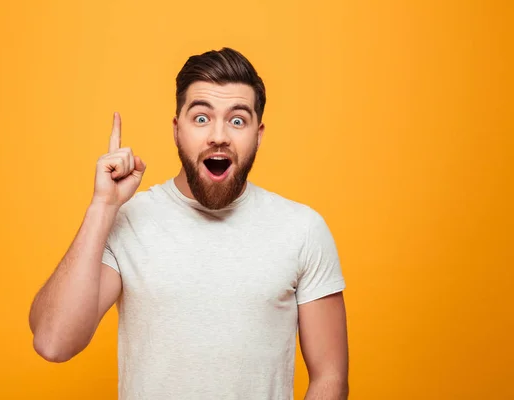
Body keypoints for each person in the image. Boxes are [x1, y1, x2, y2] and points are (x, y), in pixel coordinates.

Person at [29, 47, 349, 400]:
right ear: (177, 129)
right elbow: (53, 342)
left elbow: (329, 378)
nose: (218, 136)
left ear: (258, 135)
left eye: (237, 120)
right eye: (200, 118)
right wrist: (102, 206)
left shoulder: (302, 230)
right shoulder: (129, 221)